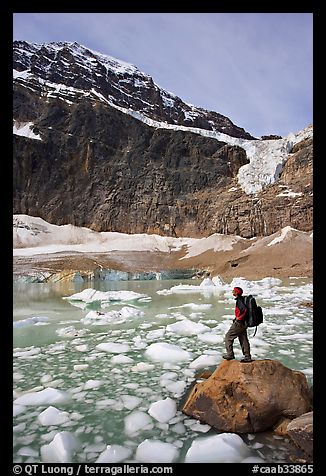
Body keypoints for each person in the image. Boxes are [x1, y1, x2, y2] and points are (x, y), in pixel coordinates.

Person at [222, 286, 253, 363]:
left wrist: (238, 319)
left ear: (236, 293)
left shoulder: (240, 301)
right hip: (244, 323)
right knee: (243, 338)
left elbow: (243, 310)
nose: (232, 292)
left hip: (239, 323)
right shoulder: (242, 300)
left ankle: (230, 354)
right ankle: (247, 356)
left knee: (228, 337)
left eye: (233, 291)